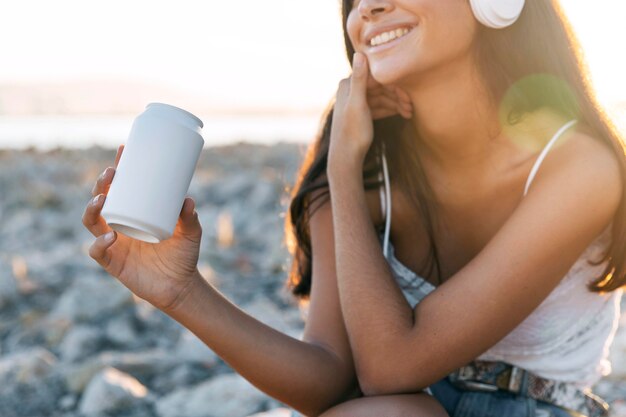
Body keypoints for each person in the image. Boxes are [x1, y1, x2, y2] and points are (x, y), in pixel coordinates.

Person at [83, 0, 626, 416]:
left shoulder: (579, 170)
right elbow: (329, 377)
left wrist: (343, 168)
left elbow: (390, 368)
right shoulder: (363, 161)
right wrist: (181, 291)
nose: (368, 8)